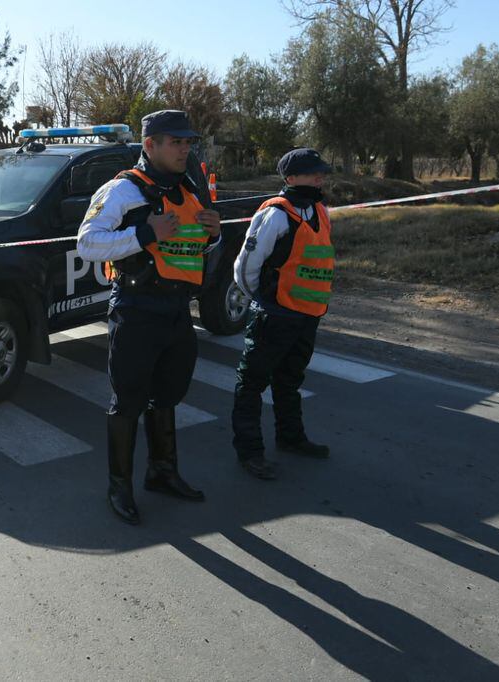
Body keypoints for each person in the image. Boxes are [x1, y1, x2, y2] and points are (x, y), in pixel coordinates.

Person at [77, 110, 223, 525]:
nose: (184, 149)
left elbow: (201, 247)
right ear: (149, 145)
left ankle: (162, 472)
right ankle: (119, 487)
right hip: (136, 310)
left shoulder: (190, 187)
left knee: (168, 396)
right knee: (128, 401)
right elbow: (87, 243)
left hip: (178, 311)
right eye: (175, 142)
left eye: (187, 142)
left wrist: (214, 233)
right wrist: (145, 233)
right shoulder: (123, 190)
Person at [231, 148, 335, 480]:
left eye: (321, 172)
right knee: (251, 384)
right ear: (290, 179)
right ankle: (250, 452)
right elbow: (245, 267)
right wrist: (263, 300)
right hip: (275, 316)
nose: (320, 177)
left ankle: (291, 438)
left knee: (290, 380)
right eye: (312, 172)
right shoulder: (275, 214)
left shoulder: (320, 210)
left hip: (307, 316)